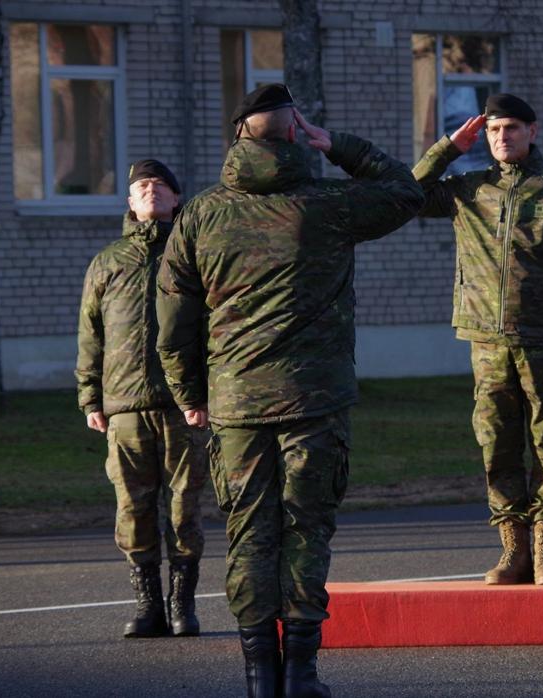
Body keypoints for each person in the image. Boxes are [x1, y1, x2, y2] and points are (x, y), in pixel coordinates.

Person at [156, 84, 423, 698]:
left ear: (238, 136)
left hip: (235, 404)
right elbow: (407, 192)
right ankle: (301, 673)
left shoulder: (199, 214)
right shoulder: (327, 204)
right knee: (306, 529)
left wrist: (189, 392)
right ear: (296, 134)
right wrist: (342, 146)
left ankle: (258, 675)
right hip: (314, 401)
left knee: (251, 533)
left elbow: (173, 318)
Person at [413, 93, 543, 586]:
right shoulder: (468, 189)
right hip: (487, 340)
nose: (503, 137)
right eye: (495, 130)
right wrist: (448, 148)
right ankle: (512, 550)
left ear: (532, 132)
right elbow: (407, 193)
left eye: (512, 128)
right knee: (496, 443)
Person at [76, 159, 207, 639]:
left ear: (176, 198)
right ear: (130, 203)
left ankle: (182, 607)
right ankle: (148, 605)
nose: (150, 191)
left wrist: (208, 393)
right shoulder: (108, 262)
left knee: (183, 508)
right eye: (140, 187)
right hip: (125, 408)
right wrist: (91, 398)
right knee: (133, 508)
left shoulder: (194, 252)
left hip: (185, 407)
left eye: (159, 185)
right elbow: (91, 335)